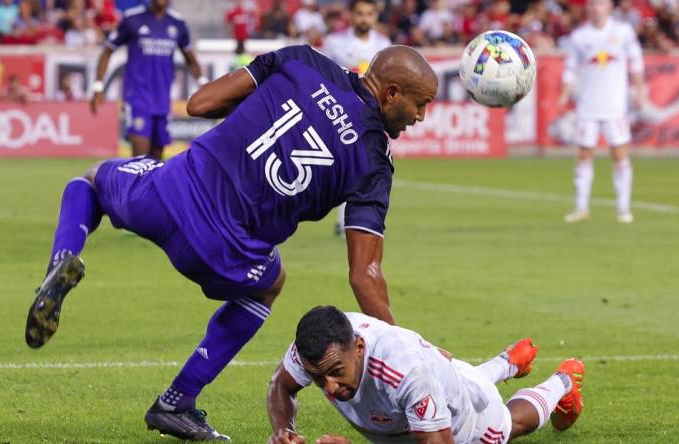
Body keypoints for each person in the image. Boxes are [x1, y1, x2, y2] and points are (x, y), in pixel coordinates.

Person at [24, 44, 438, 441]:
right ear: (390, 93)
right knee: (269, 284)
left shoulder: (303, 62)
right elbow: (365, 275)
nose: (420, 116)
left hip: (168, 193)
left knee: (91, 182)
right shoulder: (373, 161)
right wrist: (411, 357)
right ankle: (177, 400)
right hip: (222, 252)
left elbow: (200, 105)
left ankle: (63, 259)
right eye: (419, 104)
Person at [267, 306, 586, 444]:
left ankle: (563, 381)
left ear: (359, 347)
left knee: (508, 427)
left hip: (463, 419)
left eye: (336, 373)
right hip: (437, 379)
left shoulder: (406, 373)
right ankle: (508, 362)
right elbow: (281, 385)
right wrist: (285, 431)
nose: (330, 388)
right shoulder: (317, 346)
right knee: (448, 380)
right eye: (318, 379)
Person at [559, 0, 645, 224]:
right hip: (588, 105)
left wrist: (640, 90)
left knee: (619, 154)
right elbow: (571, 68)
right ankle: (581, 207)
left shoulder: (623, 32)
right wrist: (564, 92)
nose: (596, 8)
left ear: (609, 7)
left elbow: (636, 61)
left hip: (615, 105)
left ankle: (624, 208)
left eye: (601, 4)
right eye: (593, 4)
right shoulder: (580, 36)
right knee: (584, 154)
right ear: (588, 8)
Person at [89, 0, 205, 160]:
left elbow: (191, 60)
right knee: (140, 161)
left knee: (156, 163)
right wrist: (97, 87)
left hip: (162, 102)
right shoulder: (132, 18)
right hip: (137, 98)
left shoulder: (177, 23)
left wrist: (204, 84)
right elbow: (107, 51)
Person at [322, 0, 391, 238]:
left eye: (369, 14)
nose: (365, 18)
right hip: (338, 112)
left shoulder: (384, 45)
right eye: (360, 13)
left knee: (364, 170)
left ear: (375, 16)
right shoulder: (334, 42)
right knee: (340, 169)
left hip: (371, 117)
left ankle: (352, 223)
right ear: (351, 15)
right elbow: (323, 74)